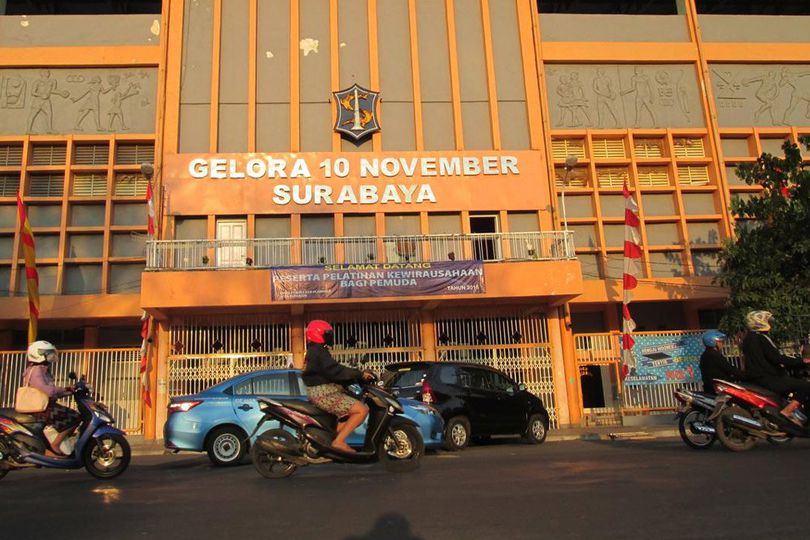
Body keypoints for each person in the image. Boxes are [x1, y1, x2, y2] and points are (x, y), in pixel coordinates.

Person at [301, 320, 375, 453]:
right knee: (361, 410)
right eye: (327, 333)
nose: (330, 336)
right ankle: (339, 442)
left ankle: (330, 440)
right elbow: (335, 370)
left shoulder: (315, 350)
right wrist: (359, 374)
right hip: (324, 393)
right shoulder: (318, 351)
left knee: (346, 416)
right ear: (319, 334)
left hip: (321, 391)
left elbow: (332, 372)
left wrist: (354, 376)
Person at [741, 311, 810, 424]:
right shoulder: (761, 338)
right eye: (767, 321)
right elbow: (777, 358)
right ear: (760, 322)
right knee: (806, 386)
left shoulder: (747, 339)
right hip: (769, 378)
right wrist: (802, 361)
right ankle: (787, 411)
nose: (770, 324)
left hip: (757, 377)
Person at [21, 341, 81, 455]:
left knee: (75, 416)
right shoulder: (36, 370)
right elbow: (47, 390)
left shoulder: (43, 369)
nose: (51, 355)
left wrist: (69, 391)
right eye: (48, 353)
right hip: (40, 408)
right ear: (38, 354)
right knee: (74, 417)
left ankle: (61, 441)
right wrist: (65, 389)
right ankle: (55, 445)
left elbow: (53, 392)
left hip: (46, 405)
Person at [699, 330, 744, 394]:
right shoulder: (714, 355)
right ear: (713, 342)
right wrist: (744, 375)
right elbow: (729, 368)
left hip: (712, 387)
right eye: (720, 341)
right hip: (718, 389)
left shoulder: (706, 354)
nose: (722, 343)